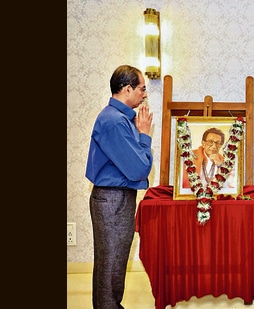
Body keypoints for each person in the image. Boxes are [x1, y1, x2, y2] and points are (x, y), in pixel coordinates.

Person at [85, 65, 153, 309]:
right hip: (112, 200)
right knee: (110, 267)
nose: (144, 94)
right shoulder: (114, 121)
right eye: (142, 89)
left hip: (116, 199)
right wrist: (145, 135)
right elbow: (138, 169)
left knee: (113, 265)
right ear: (127, 89)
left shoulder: (122, 119)